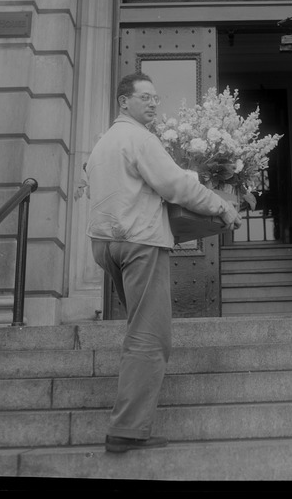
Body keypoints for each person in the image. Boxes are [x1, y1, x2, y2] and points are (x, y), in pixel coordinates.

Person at [85, 72, 242, 454]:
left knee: (138, 330)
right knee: (150, 337)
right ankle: (128, 429)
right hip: (140, 244)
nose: (154, 103)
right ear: (124, 101)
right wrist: (223, 206)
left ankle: (128, 422)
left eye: (156, 97)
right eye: (145, 97)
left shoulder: (103, 142)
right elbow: (177, 186)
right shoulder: (141, 139)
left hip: (106, 245)